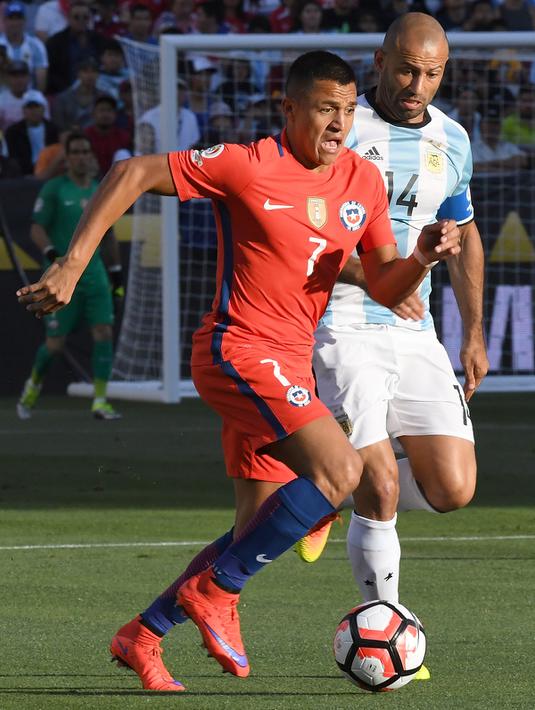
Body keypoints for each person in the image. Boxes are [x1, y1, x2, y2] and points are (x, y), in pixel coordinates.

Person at [17, 51, 461, 692]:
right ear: (289, 109)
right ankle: (219, 591)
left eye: (346, 109)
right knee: (341, 472)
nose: (339, 123)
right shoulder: (249, 164)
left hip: (289, 371)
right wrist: (72, 264)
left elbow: (389, 285)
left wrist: (420, 256)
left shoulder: (362, 181)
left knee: (255, 527)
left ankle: (142, 635)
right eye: (324, 109)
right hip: (237, 352)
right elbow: (133, 170)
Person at [298, 14, 488, 680]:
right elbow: (306, 232)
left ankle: (323, 492)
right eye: (406, 68)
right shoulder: (340, 129)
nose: (416, 84)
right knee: (380, 484)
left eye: (430, 72)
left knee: (453, 488)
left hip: (417, 331)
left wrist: (471, 331)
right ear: (379, 60)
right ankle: (388, 625)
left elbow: (461, 235)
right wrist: (380, 277)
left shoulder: (453, 139)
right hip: (343, 325)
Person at [17, 132, 123, 421]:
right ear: (66, 157)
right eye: (74, 152)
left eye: (84, 151)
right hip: (62, 278)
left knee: (103, 332)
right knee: (55, 344)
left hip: (96, 275)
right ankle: (33, 385)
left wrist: (116, 274)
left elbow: (109, 233)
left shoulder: (101, 190)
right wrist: (54, 256)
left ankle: (100, 401)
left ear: (90, 156)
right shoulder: (55, 189)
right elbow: (36, 229)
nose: (80, 156)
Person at [5, 89, 58, 175]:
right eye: (29, 107)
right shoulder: (13, 132)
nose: (33, 111)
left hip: (49, 172)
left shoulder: (54, 130)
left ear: (43, 108)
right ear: (23, 110)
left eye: (36, 107)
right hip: (24, 174)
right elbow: (13, 158)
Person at [0, 2, 49, 92]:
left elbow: (41, 80)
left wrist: (36, 96)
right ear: (4, 21)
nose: (15, 23)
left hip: (28, 97)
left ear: (24, 20)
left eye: (18, 18)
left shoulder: (36, 45)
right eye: (11, 18)